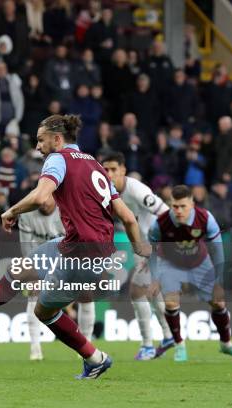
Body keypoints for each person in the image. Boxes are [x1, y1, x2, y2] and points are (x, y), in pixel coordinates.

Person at [0, 114, 149, 379]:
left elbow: (42, 195)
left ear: (57, 139)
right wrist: (140, 249)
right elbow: (127, 217)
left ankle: (94, 358)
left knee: (44, 310)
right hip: (89, 249)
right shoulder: (94, 164)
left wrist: (11, 210)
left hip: (81, 254)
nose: (37, 147)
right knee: (20, 271)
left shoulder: (58, 158)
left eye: (41, 140)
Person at [148, 185, 232, 361]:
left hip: (199, 262)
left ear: (192, 204)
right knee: (171, 303)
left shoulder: (205, 218)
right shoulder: (160, 223)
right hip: (171, 264)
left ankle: (227, 345)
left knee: (218, 302)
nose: (178, 211)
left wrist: (218, 280)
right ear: (171, 205)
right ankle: (180, 345)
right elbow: (153, 250)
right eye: (175, 206)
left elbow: (217, 250)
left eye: (183, 206)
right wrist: (155, 278)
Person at [100, 152, 174, 360]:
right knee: (151, 294)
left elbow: (165, 212)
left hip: (155, 245)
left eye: (113, 169)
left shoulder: (137, 190)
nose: (109, 174)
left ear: (123, 170)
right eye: (105, 170)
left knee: (136, 292)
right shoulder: (106, 192)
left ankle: (148, 346)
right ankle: (169, 336)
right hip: (141, 247)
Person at [18, 200, 65, 361]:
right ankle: (35, 348)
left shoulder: (66, 211)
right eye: (41, 199)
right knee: (34, 295)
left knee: (86, 295)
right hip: (40, 259)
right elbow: (26, 248)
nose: (44, 203)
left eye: (48, 199)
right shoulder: (26, 215)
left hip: (65, 258)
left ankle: (85, 344)